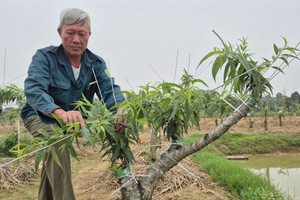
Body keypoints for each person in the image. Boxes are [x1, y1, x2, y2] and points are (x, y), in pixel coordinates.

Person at [21, 8, 125, 200]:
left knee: (53, 162)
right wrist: (59, 112)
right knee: (57, 142)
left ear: (89, 35)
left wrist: (120, 108)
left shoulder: (96, 64)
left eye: (82, 34)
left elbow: (109, 90)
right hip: (39, 116)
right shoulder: (44, 58)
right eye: (70, 33)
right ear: (60, 32)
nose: (76, 39)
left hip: (73, 122)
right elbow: (35, 89)